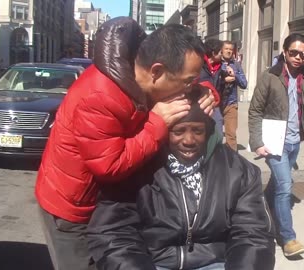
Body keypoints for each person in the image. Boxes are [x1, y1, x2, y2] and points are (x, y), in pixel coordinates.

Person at [35, 17, 215, 270]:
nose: (189, 88)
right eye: (188, 82)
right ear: (157, 71)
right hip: (73, 210)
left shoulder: (142, 75)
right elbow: (109, 165)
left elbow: (190, 85)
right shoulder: (100, 95)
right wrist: (157, 123)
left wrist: (207, 91)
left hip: (112, 204)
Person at [87, 87, 275, 270]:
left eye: (198, 131)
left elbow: (253, 235)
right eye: (178, 131)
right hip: (153, 262)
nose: (188, 140)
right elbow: (114, 233)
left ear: (209, 132)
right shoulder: (136, 169)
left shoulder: (239, 171)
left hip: (215, 262)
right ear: (164, 130)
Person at [248, 33, 304, 257]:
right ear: (284, 52)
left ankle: (258, 206)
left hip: (295, 142)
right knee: (285, 186)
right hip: (275, 142)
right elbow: (254, 111)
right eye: (292, 52)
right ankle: (288, 238)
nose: (296, 57)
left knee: (276, 184)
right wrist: (257, 142)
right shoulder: (270, 76)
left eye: (302, 54)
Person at [219, 41, 247, 151]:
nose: (229, 51)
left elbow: (244, 84)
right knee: (216, 134)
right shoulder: (216, 63)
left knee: (231, 135)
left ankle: (232, 160)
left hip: (231, 104)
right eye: (226, 49)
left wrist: (235, 76)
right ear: (221, 50)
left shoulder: (236, 65)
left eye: (231, 49)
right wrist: (223, 80)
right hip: (216, 104)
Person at [198, 38, 224, 135]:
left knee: (218, 134)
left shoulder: (221, 67)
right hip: (201, 105)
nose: (222, 54)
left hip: (215, 106)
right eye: (220, 52)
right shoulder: (199, 65)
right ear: (214, 53)